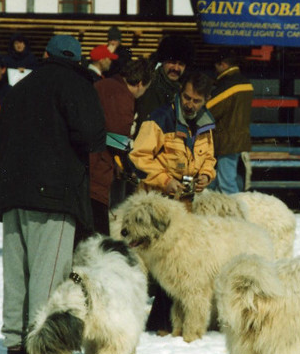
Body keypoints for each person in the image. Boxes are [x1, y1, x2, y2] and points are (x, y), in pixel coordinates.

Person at [0, 34, 105, 354]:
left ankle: (14, 350)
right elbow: (92, 135)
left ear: (45, 55)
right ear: (77, 59)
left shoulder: (20, 87)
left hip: (13, 194)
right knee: (47, 278)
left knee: (17, 276)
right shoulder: (76, 84)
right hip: (54, 196)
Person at [129, 69, 216, 334]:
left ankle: (165, 323)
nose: (190, 104)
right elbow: (139, 156)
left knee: (177, 265)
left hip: (185, 208)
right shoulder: (159, 119)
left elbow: (210, 159)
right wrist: (165, 180)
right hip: (155, 206)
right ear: (180, 93)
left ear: (205, 101)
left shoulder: (206, 125)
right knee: (155, 268)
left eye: (196, 101)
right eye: (187, 98)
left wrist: (205, 176)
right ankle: (157, 323)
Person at [89, 57, 152, 235]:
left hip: (87, 165)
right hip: (99, 169)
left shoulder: (103, 84)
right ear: (140, 83)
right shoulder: (123, 96)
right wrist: (130, 164)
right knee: (99, 232)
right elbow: (118, 138)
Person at [206, 49, 254, 194]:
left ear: (223, 64)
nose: (215, 69)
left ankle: (235, 213)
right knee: (226, 179)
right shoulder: (245, 83)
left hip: (226, 141)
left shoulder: (228, 85)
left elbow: (209, 110)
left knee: (226, 184)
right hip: (238, 139)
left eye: (216, 65)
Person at [134, 34, 195, 132]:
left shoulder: (182, 86)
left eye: (181, 64)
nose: (176, 68)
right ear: (163, 61)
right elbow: (147, 125)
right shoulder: (152, 86)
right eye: (172, 62)